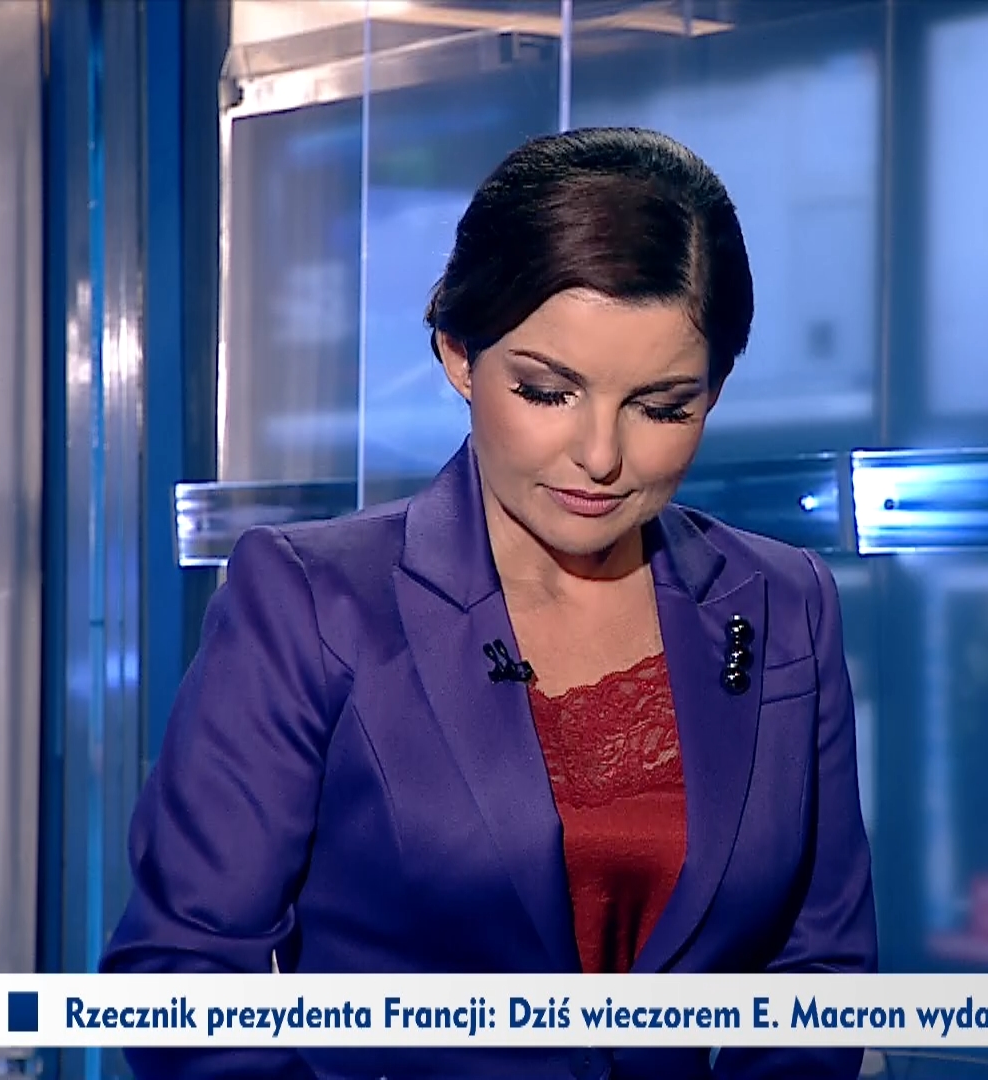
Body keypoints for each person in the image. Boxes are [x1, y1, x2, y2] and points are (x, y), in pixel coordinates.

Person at [101, 127, 879, 1080]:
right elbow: (180, 980)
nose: (600, 457)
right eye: (549, 393)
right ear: (458, 356)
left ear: (714, 392)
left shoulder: (786, 605)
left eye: (662, 407)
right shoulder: (310, 602)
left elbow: (821, 977)